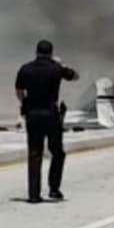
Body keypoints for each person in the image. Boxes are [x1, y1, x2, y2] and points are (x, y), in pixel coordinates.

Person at [15, 39, 79, 203]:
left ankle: (34, 194)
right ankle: (54, 189)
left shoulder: (25, 68)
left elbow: (19, 90)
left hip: (33, 114)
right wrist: (61, 65)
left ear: (36, 52)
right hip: (51, 115)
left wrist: (24, 104)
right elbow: (74, 76)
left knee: (34, 153)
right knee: (57, 152)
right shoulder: (56, 68)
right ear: (50, 53)